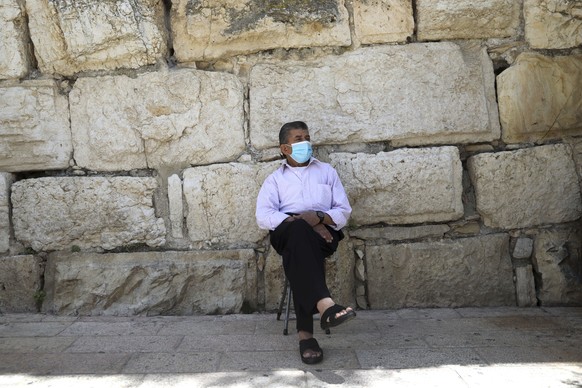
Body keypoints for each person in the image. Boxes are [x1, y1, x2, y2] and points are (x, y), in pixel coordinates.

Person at [256, 120, 356, 364]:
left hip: (324, 237)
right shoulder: (275, 180)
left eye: (307, 137)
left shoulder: (327, 172)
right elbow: (263, 217)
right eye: (298, 139)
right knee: (298, 233)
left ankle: (306, 336)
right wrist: (307, 221)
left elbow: (343, 212)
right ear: (285, 148)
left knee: (299, 253)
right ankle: (326, 306)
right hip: (288, 234)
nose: (306, 143)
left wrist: (320, 217)